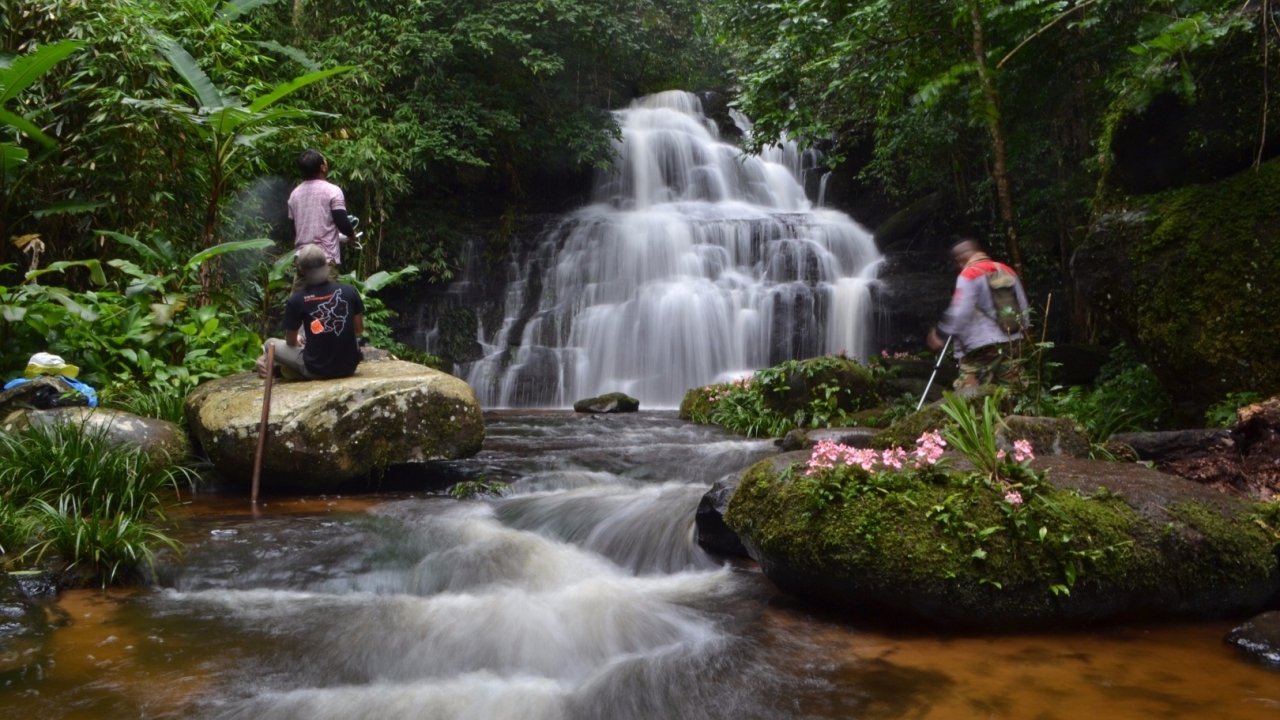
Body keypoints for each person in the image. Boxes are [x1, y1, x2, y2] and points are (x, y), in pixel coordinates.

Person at [926, 238, 1029, 389]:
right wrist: (1023, 330)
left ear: (959, 259)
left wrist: (941, 334)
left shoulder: (969, 275)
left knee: (970, 394)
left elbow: (960, 311)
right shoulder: (1006, 270)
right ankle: (1015, 412)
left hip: (982, 346)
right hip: (1011, 340)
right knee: (1013, 390)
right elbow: (1023, 305)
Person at [259, 245, 366, 380]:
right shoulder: (349, 290)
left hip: (316, 370)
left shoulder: (296, 299)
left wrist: (299, 339)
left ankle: (280, 366)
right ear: (327, 264)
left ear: (301, 270)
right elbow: (358, 330)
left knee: (270, 343)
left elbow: (291, 342)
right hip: (349, 367)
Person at [287, 148, 358, 293]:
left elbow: (294, 230)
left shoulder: (294, 195)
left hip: (303, 259)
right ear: (322, 167)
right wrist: (351, 236)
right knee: (324, 304)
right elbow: (343, 224)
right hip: (324, 258)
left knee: (299, 304)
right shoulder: (332, 191)